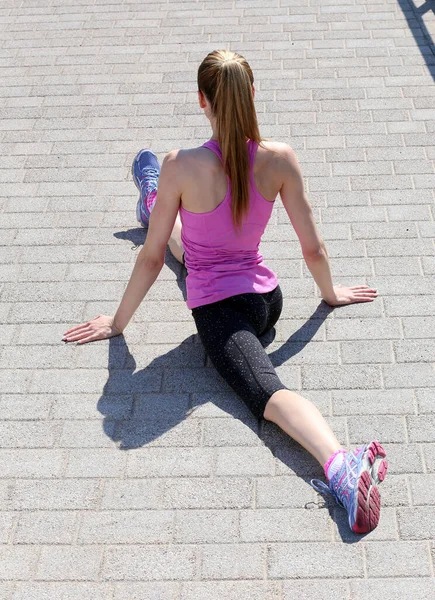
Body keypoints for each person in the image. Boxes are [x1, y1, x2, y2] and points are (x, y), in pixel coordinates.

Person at [63, 49, 388, 534]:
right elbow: (313, 248)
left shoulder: (182, 164)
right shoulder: (280, 159)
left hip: (222, 315)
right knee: (189, 251)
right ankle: (151, 201)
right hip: (268, 299)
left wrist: (118, 324)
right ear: (253, 94)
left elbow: (152, 259)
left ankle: (341, 467)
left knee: (266, 394)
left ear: (202, 101)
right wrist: (329, 293)